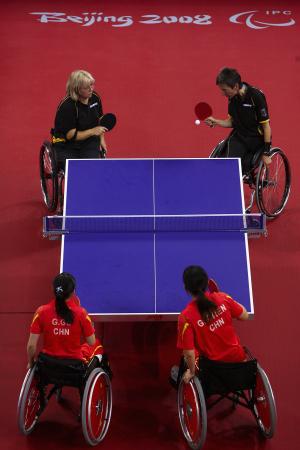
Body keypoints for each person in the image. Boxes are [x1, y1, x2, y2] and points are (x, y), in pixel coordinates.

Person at [177, 265, 248, 384]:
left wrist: (192, 372)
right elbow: (244, 315)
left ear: (186, 289)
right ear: (207, 283)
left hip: (212, 372)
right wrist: (224, 302)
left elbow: (189, 353)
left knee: (185, 355)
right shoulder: (223, 298)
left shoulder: (185, 317)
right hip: (239, 363)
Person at [27, 272, 103, 369]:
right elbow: (91, 342)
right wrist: (90, 327)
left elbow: (31, 346)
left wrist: (30, 363)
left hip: (47, 364)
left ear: (53, 289)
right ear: (73, 292)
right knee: (97, 344)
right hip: (74, 365)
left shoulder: (41, 312)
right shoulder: (81, 313)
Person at [205, 67, 272, 174]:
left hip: (256, 138)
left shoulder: (255, 96)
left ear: (235, 86)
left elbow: (266, 126)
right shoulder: (232, 98)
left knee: (243, 167)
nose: (223, 93)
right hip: (240, 136)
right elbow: (232, 122)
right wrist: (216, 121)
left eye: (224, 90)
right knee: (228, 163)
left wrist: (266, 153)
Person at [51, 70, 108, 171]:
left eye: (92, 85)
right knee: (75, 170)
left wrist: (101, 139)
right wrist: (92, 131)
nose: (91, 89)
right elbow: (70, 135)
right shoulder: (67, 106)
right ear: (77, 89)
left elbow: (100, 120)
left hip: (88, 141)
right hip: (66, 144)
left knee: (92, 168)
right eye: (87, 87)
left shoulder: (94, 97)